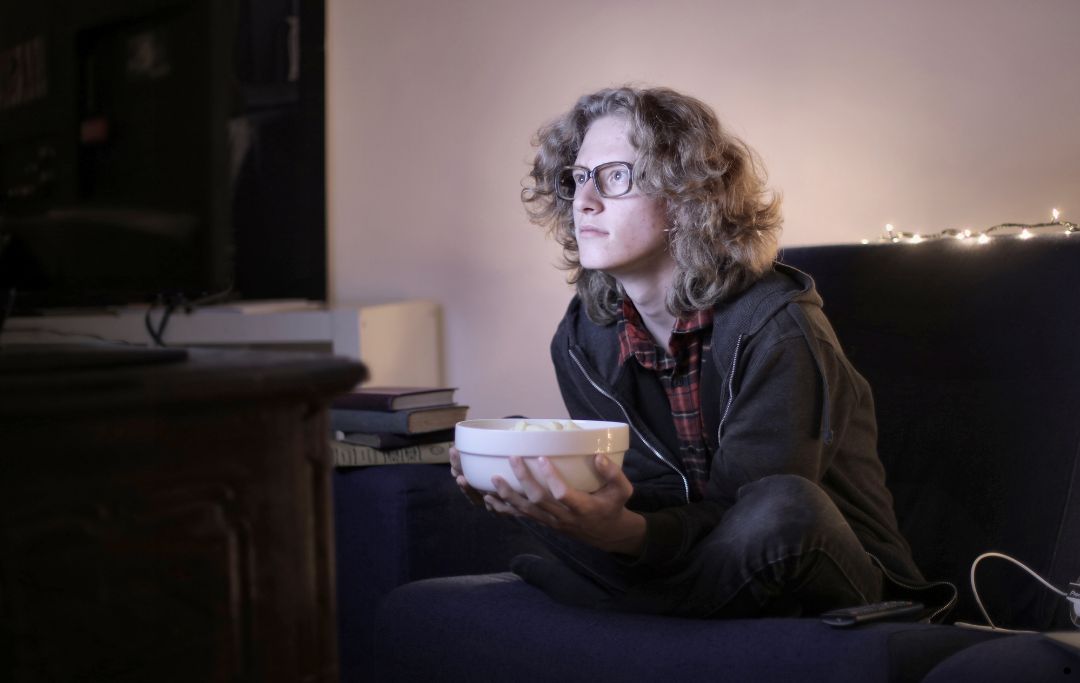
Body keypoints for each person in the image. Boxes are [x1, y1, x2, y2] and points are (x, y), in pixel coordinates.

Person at [449, 86, 954, 619]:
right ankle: (653, 602)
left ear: (687, 196)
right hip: (682, 556)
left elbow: (743, 515)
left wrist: (625, 535)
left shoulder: (779, 329)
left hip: (829, 571)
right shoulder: (581, 339)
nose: (584, 201)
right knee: (520, 454)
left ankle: (634, 604)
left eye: (615, 177)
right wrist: (564, 499)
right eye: (578, 178)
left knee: (785, 506)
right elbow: (649, 494)